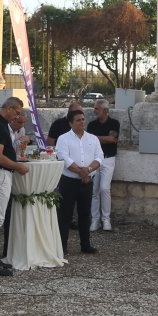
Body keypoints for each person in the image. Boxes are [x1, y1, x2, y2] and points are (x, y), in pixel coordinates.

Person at [0, 97, 29, 277]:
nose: (17, 117)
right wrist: (17, 166)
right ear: (9, 108)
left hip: (0, 173)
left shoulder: (0, 124)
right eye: (16, 112)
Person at [55, 109, 101, 255]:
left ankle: (85, 245)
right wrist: (81, 172)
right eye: (78, 120)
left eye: (83, 119)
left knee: (85, 214)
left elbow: (99, 157)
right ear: (70, 123)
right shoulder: (63, 139)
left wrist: (88, 170)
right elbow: (64, 158)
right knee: (65, 215)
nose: (82, 122)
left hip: (86, 182)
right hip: (69, 181)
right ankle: (62, 247)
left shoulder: (93, 139)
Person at [87, 98, 120, 231]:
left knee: (105, 188)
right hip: (95, 160)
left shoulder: (114, 123)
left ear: (105, 110)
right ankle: (95, 220)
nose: (94, 111)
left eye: (97, 108)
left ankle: (106, 219)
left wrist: (96, 138)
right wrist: (103, 139)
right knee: (94, 190)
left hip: (108, 159)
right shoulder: (92, 125)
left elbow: (112, 139)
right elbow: (89, 141)